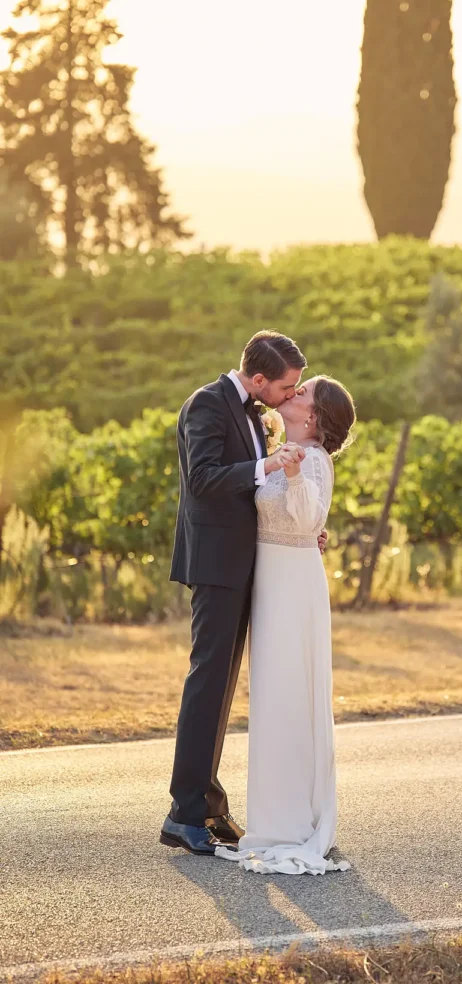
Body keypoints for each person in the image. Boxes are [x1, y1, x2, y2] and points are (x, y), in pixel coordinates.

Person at [161, 330, 324, 855]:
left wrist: (302, 529)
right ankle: (183, 814)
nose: (288, 395)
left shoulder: (254, 413)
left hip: (246, 564)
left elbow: (259, 495)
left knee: (223, 687)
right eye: (285, 386)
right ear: (258, 379)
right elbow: (205, 479)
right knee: (207, 682)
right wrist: (268, 464)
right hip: (216, 564)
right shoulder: (207, 405)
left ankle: (208, 806)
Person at [214, 374, 356, 875]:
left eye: (303, 393)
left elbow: (306, 520)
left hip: (295, 587)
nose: (292, 395)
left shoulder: (311, 460)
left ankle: (293, 821)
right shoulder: (279, 449)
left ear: (313, 417)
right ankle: (273, 814)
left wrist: (293, 476)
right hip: (270, 583)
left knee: (292, 694)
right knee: (272, 696)